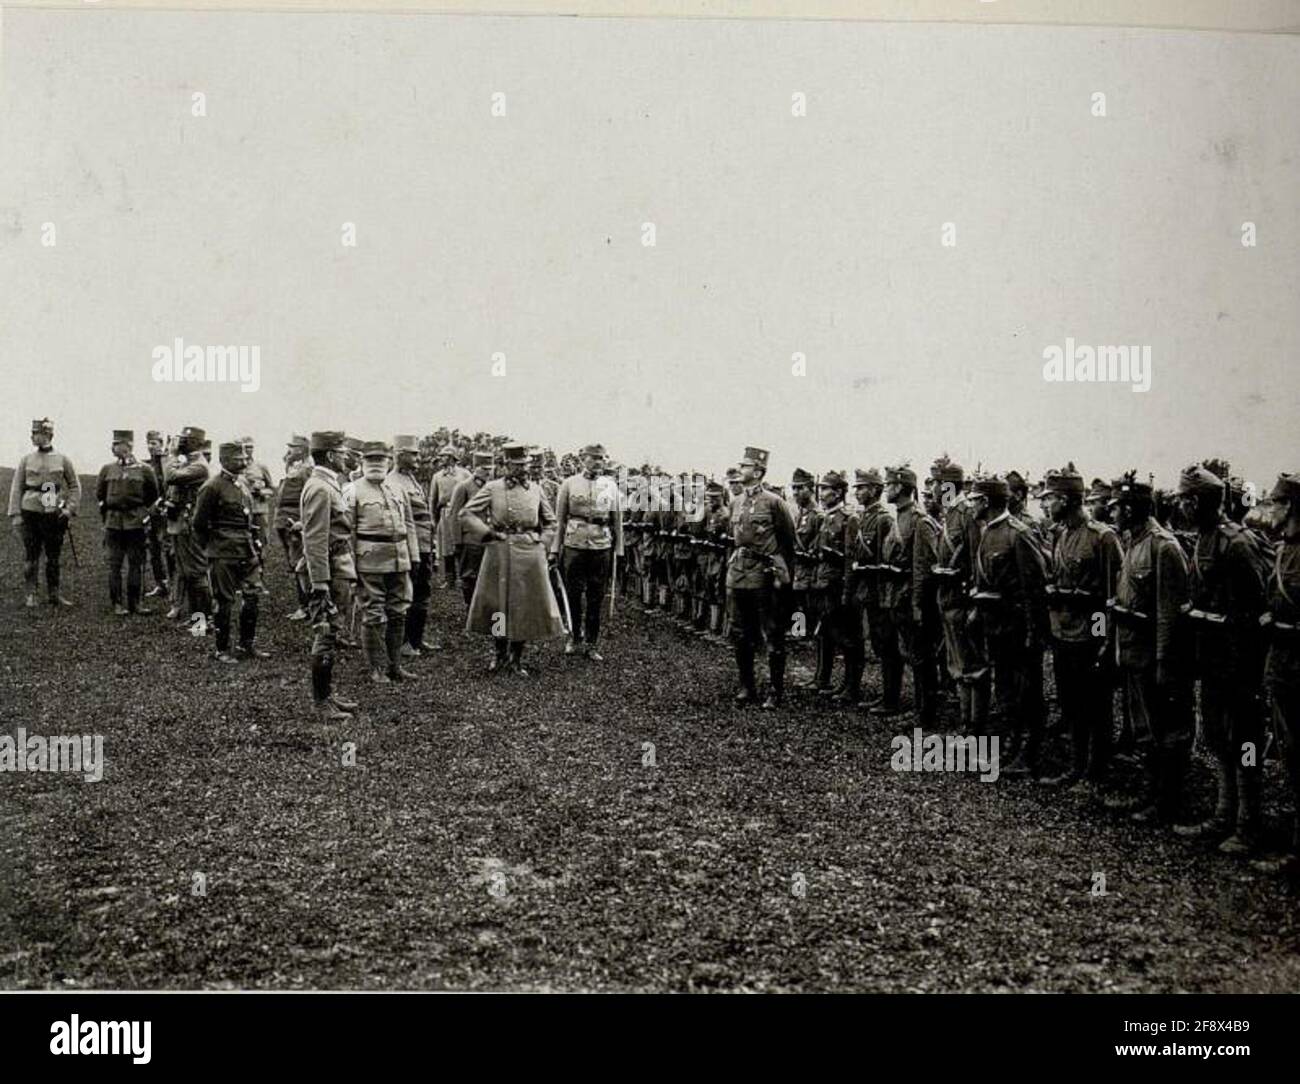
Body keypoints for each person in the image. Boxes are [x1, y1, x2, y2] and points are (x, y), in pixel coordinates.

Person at [1172, 463, 1267, 854]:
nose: (1180, 506)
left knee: (1245, 741)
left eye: (1184, 500)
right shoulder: (1205, 538)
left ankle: (1249, 824)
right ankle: (1224, 813)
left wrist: (1215, 620)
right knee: (1217, 737)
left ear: (1197, 502)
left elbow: (1257, 610)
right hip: (1213, 660)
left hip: (1239, 664)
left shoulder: (1237, 543)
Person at [1104, 472, 1193, 827]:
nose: (1112, 513)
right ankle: (1152, 792)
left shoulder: (1163, 546)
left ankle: (1169, 801)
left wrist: (1163, 661)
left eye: (1116, 507)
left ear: (1130, 509)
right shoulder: (1134, 541)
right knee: (1146, 729)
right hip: (1132, 652)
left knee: (1166, 730)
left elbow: (1169, 614)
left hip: (1154, 656)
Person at [1038, 464, 1122, 790]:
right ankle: (1076, 765)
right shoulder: (1061, 534)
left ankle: (1095, 772)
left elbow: (1110, 596)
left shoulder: (1103, 537)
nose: (1045, 504)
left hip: (1088, 636)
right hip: (1063, 632)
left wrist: (1102, 640)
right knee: (1071, 703)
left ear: (1068, 500)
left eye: (1051, 498)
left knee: (1096, 707)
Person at [460, 442, 564, 675]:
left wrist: (542, 543)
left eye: (525, 465)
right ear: (506, 465)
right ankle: (499, 654)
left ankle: (517, 657)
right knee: (498, 604)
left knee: (525, 606)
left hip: (529, 553)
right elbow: (466, 513)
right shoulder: (493, 487)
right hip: (500, 551)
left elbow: (551, 521)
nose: (523, 469)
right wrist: (487, 534)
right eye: (517, 465)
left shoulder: (536, 490)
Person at [969, 473, 1049, 774]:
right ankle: (1010, 745)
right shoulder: (988, 531)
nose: (971, 504)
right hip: (996, 626)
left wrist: (1033, 633)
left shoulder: (1018, 533)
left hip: (1017, 628)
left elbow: (1034, 589)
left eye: (975, 499)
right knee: (1004, 690)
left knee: (1027, 690)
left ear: (987, 501)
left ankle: (1029, 753)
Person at [726, 447, 795, 709]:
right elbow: (733, 540)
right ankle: (747, 686)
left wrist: (785, 579)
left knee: (772, 634)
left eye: (745, 466)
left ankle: (775, 691)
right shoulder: (735, 502)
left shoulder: (774, 502)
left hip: (764, 574)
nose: (740, 470)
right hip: (738, 572)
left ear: (757, 471)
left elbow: (788, 543)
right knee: (740, 632)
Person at [297, 431, 360, 721]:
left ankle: (328, 694)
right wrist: (320, 583)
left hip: (338, 567)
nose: (347, 456)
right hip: (331, 571)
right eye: (343, 452)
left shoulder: (328, 485)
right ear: (332, 456)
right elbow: (314, 538)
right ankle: (321, 702)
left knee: (333, 635)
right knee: (326, 633)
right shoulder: (320, 488)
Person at [346, 442, 420, 684]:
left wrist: (414, 555)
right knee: (374, 613)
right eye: (371, 460)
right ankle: (377, 667)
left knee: (399, 611)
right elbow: (348, 532)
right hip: (369, 561)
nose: (376, 464)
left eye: (381, 459)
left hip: (399, 558)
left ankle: (395, 665)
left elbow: (409, 524)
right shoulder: (352, 490)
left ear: (389, 461)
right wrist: (350, 566)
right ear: (362, 463)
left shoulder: (397, 489)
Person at [192, 441, 268, 663]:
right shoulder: (212, 487)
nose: (244, 461)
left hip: (246, 550)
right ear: (224, 460)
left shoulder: (242, 485)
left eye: (245, 458)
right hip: (223, 552)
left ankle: (247, 644)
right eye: (238, 459)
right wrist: (211, 549)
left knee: (252, 597)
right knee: (224, 601)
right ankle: (222, 649)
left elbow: (250, 519)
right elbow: (198, 524)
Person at [1258, 472, 1300, 874]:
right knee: (1290, 753)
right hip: (1283, 665)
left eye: (1274, 503)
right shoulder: (1283, 549)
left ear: (1289, 507)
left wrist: (1283, 626)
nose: (1268, 509)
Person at [551, 443, 624, 660]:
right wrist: (556, 548)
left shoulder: (611, 486)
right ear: (583, 459)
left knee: (596, 596)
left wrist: (619, 550)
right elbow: (560, 520)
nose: (598, 462)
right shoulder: (569, 484)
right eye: (593, 458)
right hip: (575, 544)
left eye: (601, 459)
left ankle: (592, 643)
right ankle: (574, 637)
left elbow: (617, 521)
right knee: (573, 594)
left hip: (601, 546)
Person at [8, 418, 80, 609]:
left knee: (53, 556)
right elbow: (17, 487)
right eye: (32, 433)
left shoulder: (63, 459)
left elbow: (74, 486)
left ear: (48, 435)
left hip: (53, 513)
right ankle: (31, 594)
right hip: (30, 512)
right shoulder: (26, 460)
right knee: (31, 556)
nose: (32, 436)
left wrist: (69, 509)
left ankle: (54, 594)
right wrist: (16, 514)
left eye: (36, 433)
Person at [849, 468, 898, 712]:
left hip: (880, 591)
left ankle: (891, 699)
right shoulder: (864, 517)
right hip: (867, 591)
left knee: (887, 644)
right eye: (856, 487)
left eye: (861, 487)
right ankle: (885, 695)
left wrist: (866, 567)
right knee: (879, 644)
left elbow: (886, 559)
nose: (856, 492)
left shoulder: (883, 519)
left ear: (875, 490)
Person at [95, 429, 159, 616]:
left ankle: (136, 603)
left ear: (128, 446)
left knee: (136, 564)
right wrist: (106, 516)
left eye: (117, 444)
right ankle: (117, 603)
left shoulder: (145, 470)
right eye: (113, 444)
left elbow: (153, 496)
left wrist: (144, 515)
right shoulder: (107, 469)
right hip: (113, 523)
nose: (113, 447)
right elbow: (100, 494)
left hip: (135, 523)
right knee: (114, 564)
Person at [811, 470, 860, 703]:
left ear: (839, 492)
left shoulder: (847, 518)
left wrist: (846, 591)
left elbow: (850, 558)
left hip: (836, 585)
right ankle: (824, 678)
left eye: (826, 489)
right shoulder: (827, 517)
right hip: (823, 582)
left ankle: (851, 686)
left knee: (847, 638)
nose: (821, 493)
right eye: (820, 488)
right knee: (826, 633)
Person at [388, 434, 438, 657]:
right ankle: (404, 642)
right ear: (400, 455)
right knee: (406, 594)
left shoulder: (411, 479)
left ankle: (416, 639)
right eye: (413, 454)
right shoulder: (393, 481)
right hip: (410, 547)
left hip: (424, 545)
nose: (418, 457)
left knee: (422, 593)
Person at [275, 435, 312, 621]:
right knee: (293, 563)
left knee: (300, 565)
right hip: (283, 520)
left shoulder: (307, 469)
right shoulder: (292, 467)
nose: (290, 450)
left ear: (303, 449)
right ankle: (305, 605)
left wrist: (302, 522)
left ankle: (306, 606)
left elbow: (309, 498)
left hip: (294, 521)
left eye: (294, 447)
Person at [450, 451, 494, 607]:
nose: (488, 472)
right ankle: (471, 610)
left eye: (490, 468)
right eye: (484, 468)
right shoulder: (463, 487)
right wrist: (457, 542)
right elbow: (455, 515)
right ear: (475, 468)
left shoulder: (494, 487)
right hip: (471, 540)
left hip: (490, 539)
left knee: (489, 576)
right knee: (470, 576)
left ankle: (484, 609)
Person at [789, 468, 821, 652]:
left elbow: (818, 547)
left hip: (810, 571)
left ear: (810, 488)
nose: (795, 492)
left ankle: (810, 637)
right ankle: (798, 633)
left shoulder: (817, 516)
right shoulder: (799, 514)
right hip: (798, 569)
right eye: (793, 488)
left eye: (800, 488)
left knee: (809, 605)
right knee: (797, 602)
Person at [429, 444, 470, 589]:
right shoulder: (437, 477)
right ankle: (449, 579)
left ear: (452, 458)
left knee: (462, 544)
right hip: (445, 514)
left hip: (461, 514)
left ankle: (465, 577)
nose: (441, 459)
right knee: (446, 547)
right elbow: (433, 499)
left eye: (444, 456)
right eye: (440, 456)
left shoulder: (464, 474)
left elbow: (472, 493)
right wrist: (433, 519)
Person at [143, 430, 171, 599]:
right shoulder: (146, 465)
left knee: (168, 550)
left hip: (165, 513)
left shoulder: (168, 463)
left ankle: (173, 585)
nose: (150, 446)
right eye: (149, 443)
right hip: (150, 513)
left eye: (154, 443)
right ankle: (160, 584)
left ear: (161, 444)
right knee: (153, 550)